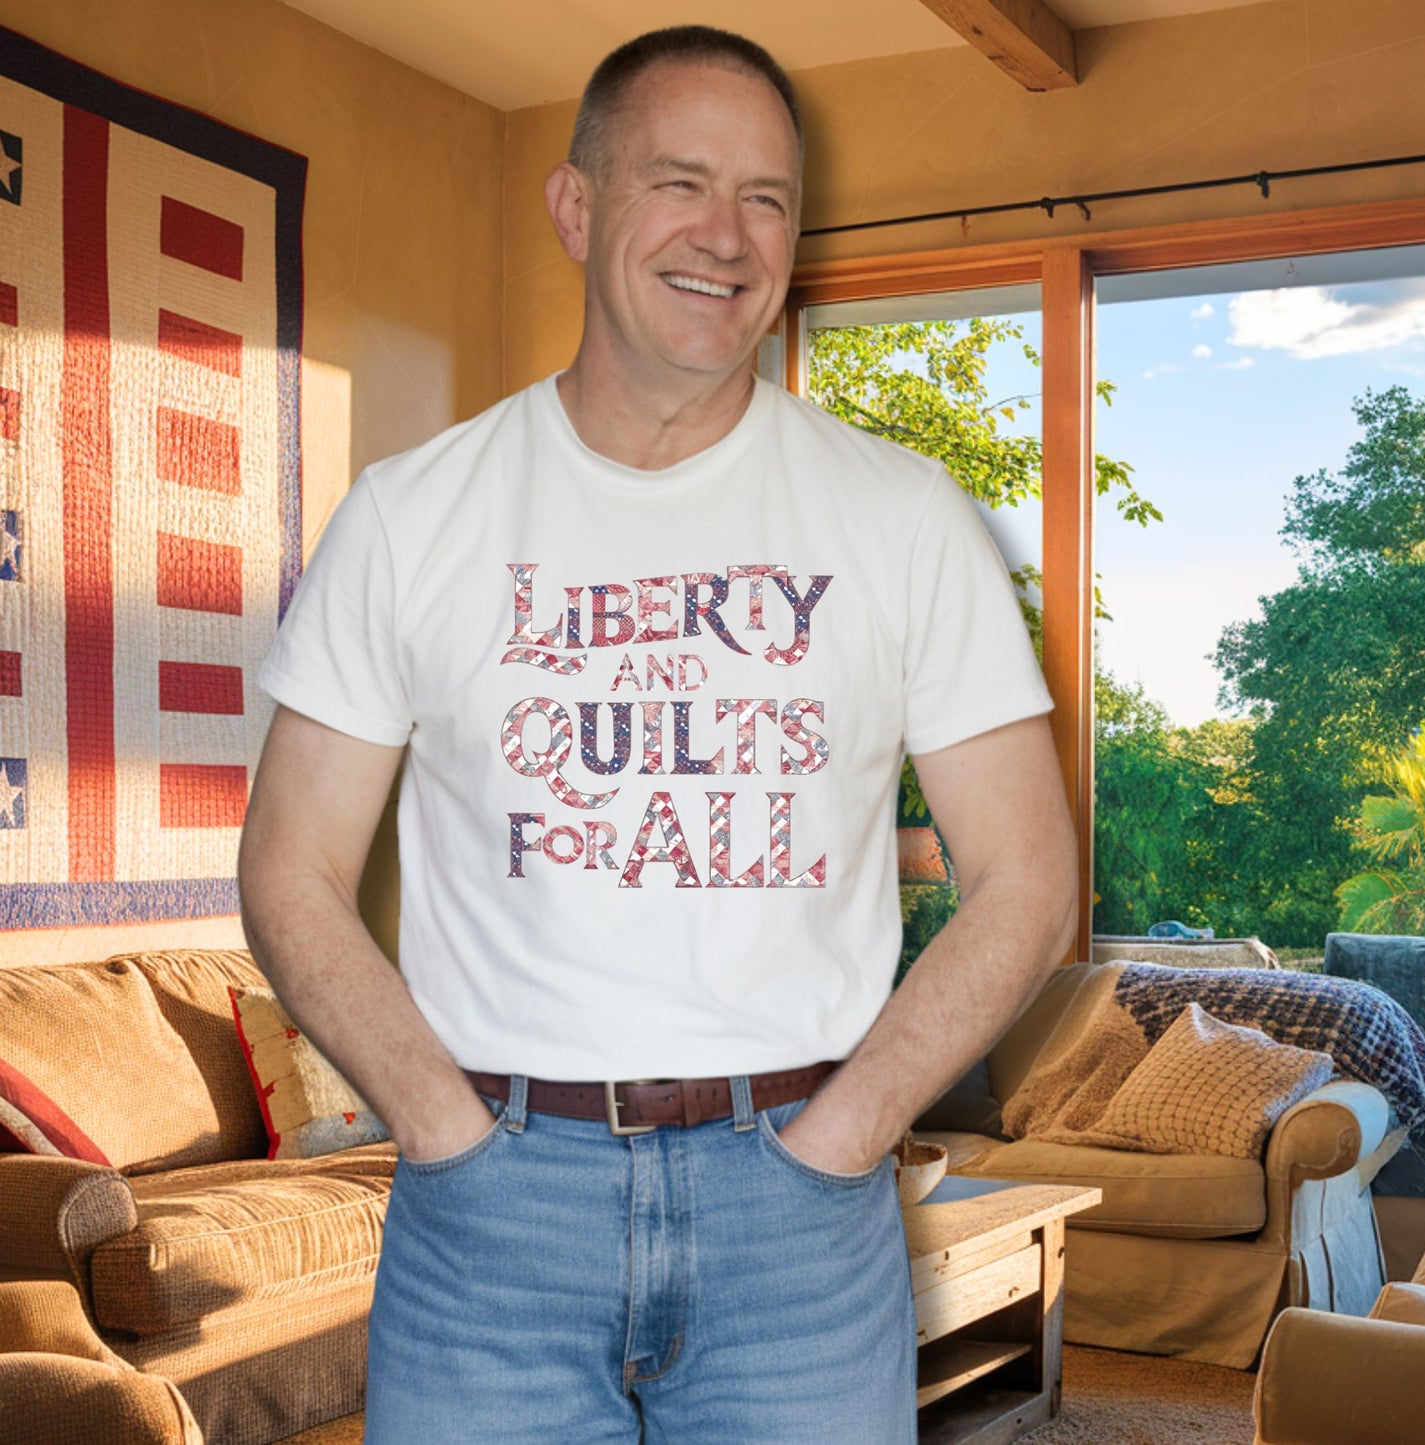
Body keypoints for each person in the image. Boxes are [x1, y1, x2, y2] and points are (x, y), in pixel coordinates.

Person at [238, 24, 1077, 1444]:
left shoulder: (903, 518)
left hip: (798, 1220)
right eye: (678, 182)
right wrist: (441, 1127)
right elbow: (288, 868)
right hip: (488, 1216)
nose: (727, 236)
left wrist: (844, 1135)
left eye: (766, 197)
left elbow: (1028, 878)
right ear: (575, 207)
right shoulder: (414, 514)